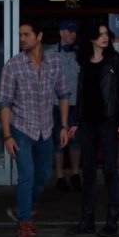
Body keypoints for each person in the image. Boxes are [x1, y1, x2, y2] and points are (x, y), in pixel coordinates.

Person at [0, 20, 70, 237]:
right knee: (27, 176)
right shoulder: (13, 66)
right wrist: (7, 136)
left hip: (45, 129)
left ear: (39, 36)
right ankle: (25, 228)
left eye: (26, 34)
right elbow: (4, 103)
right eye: (20, 35)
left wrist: (64, 126)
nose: (22, 39)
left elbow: (63, 95)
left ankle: (25, 208)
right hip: (21, 129)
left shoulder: (55, 63)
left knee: (42, 177)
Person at [66, 23, 119, 237]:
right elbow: (81, 94)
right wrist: (76, 121)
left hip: (109, 121)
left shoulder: (115, 60)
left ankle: (112, 221)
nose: (104, 38)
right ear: (91, 38)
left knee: (110, 170)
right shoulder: (84, 61)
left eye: (106, 34)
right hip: (88, 122)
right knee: (89, 171)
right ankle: (87, 221)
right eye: (100, 34)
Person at [48, 19, 82, 192]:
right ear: (61, 32)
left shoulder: (80, 54)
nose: (73, 34)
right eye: (69, 31)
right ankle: (60, 176)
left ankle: (75, 174)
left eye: (74, 31)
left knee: (76, 140)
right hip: (56, 104)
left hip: (76, 103)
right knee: (58, 140)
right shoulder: (49, 55)